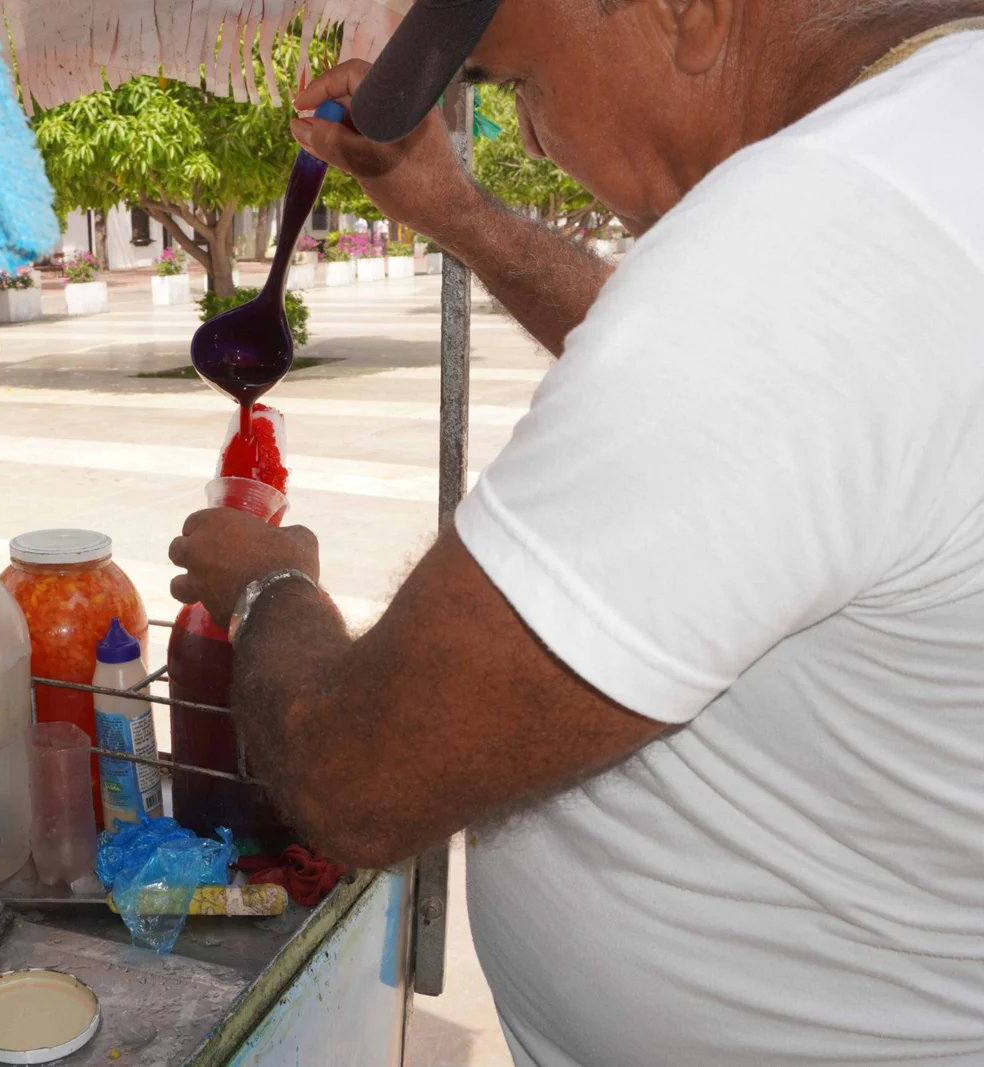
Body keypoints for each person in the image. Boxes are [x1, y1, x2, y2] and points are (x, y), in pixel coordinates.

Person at [167, 1, 984, 1064]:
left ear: (682, 13)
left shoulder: (809, 236)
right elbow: (751, 422)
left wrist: (272, 587)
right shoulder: (930, 144)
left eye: (518, 86)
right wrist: (457, 214)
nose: (533, 138)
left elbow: (356, 775)